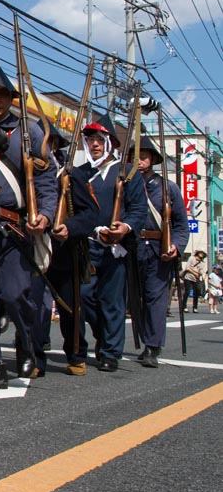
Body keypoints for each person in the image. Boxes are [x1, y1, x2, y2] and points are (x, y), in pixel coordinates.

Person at [0, 61, 57, 390]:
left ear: (10, 97)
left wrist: (44, 214)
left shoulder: (30, 133)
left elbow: (46, 180)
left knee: (17, 294)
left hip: (16, 224)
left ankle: (28, 344)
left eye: (1, 94)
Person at [78, 115, 147, 371]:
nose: (94, 144)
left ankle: (110, 352)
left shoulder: (127, 173)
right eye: (90, 140)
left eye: (99, 139)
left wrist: (124, 227)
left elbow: (139, 210)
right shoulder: (80, 173)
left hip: (116, 248)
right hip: (88, 244)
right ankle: (103, 335)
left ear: (111, 143)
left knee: (112, 300)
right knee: (85, 296)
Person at [36, 123, 99, 376]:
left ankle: (75, 353)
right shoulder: (23, 172)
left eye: (46, 142)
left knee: (69, 306)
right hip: (31, 246)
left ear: (53, 146)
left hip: (64, 250)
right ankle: (33, 357)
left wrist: (70, 227)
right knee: (31, 306)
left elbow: (91, 213)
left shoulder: (70, 176)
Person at [130, 138, 188, 367]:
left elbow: (181, 225)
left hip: (157, 250)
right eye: (136, 157)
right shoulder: (125, 184)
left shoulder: (167, 187)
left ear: (153, 159)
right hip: (132, 247)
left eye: (144, 156)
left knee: (155, 298)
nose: (141, 161)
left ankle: (152, 346)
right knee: (134, 298)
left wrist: (176, 245)